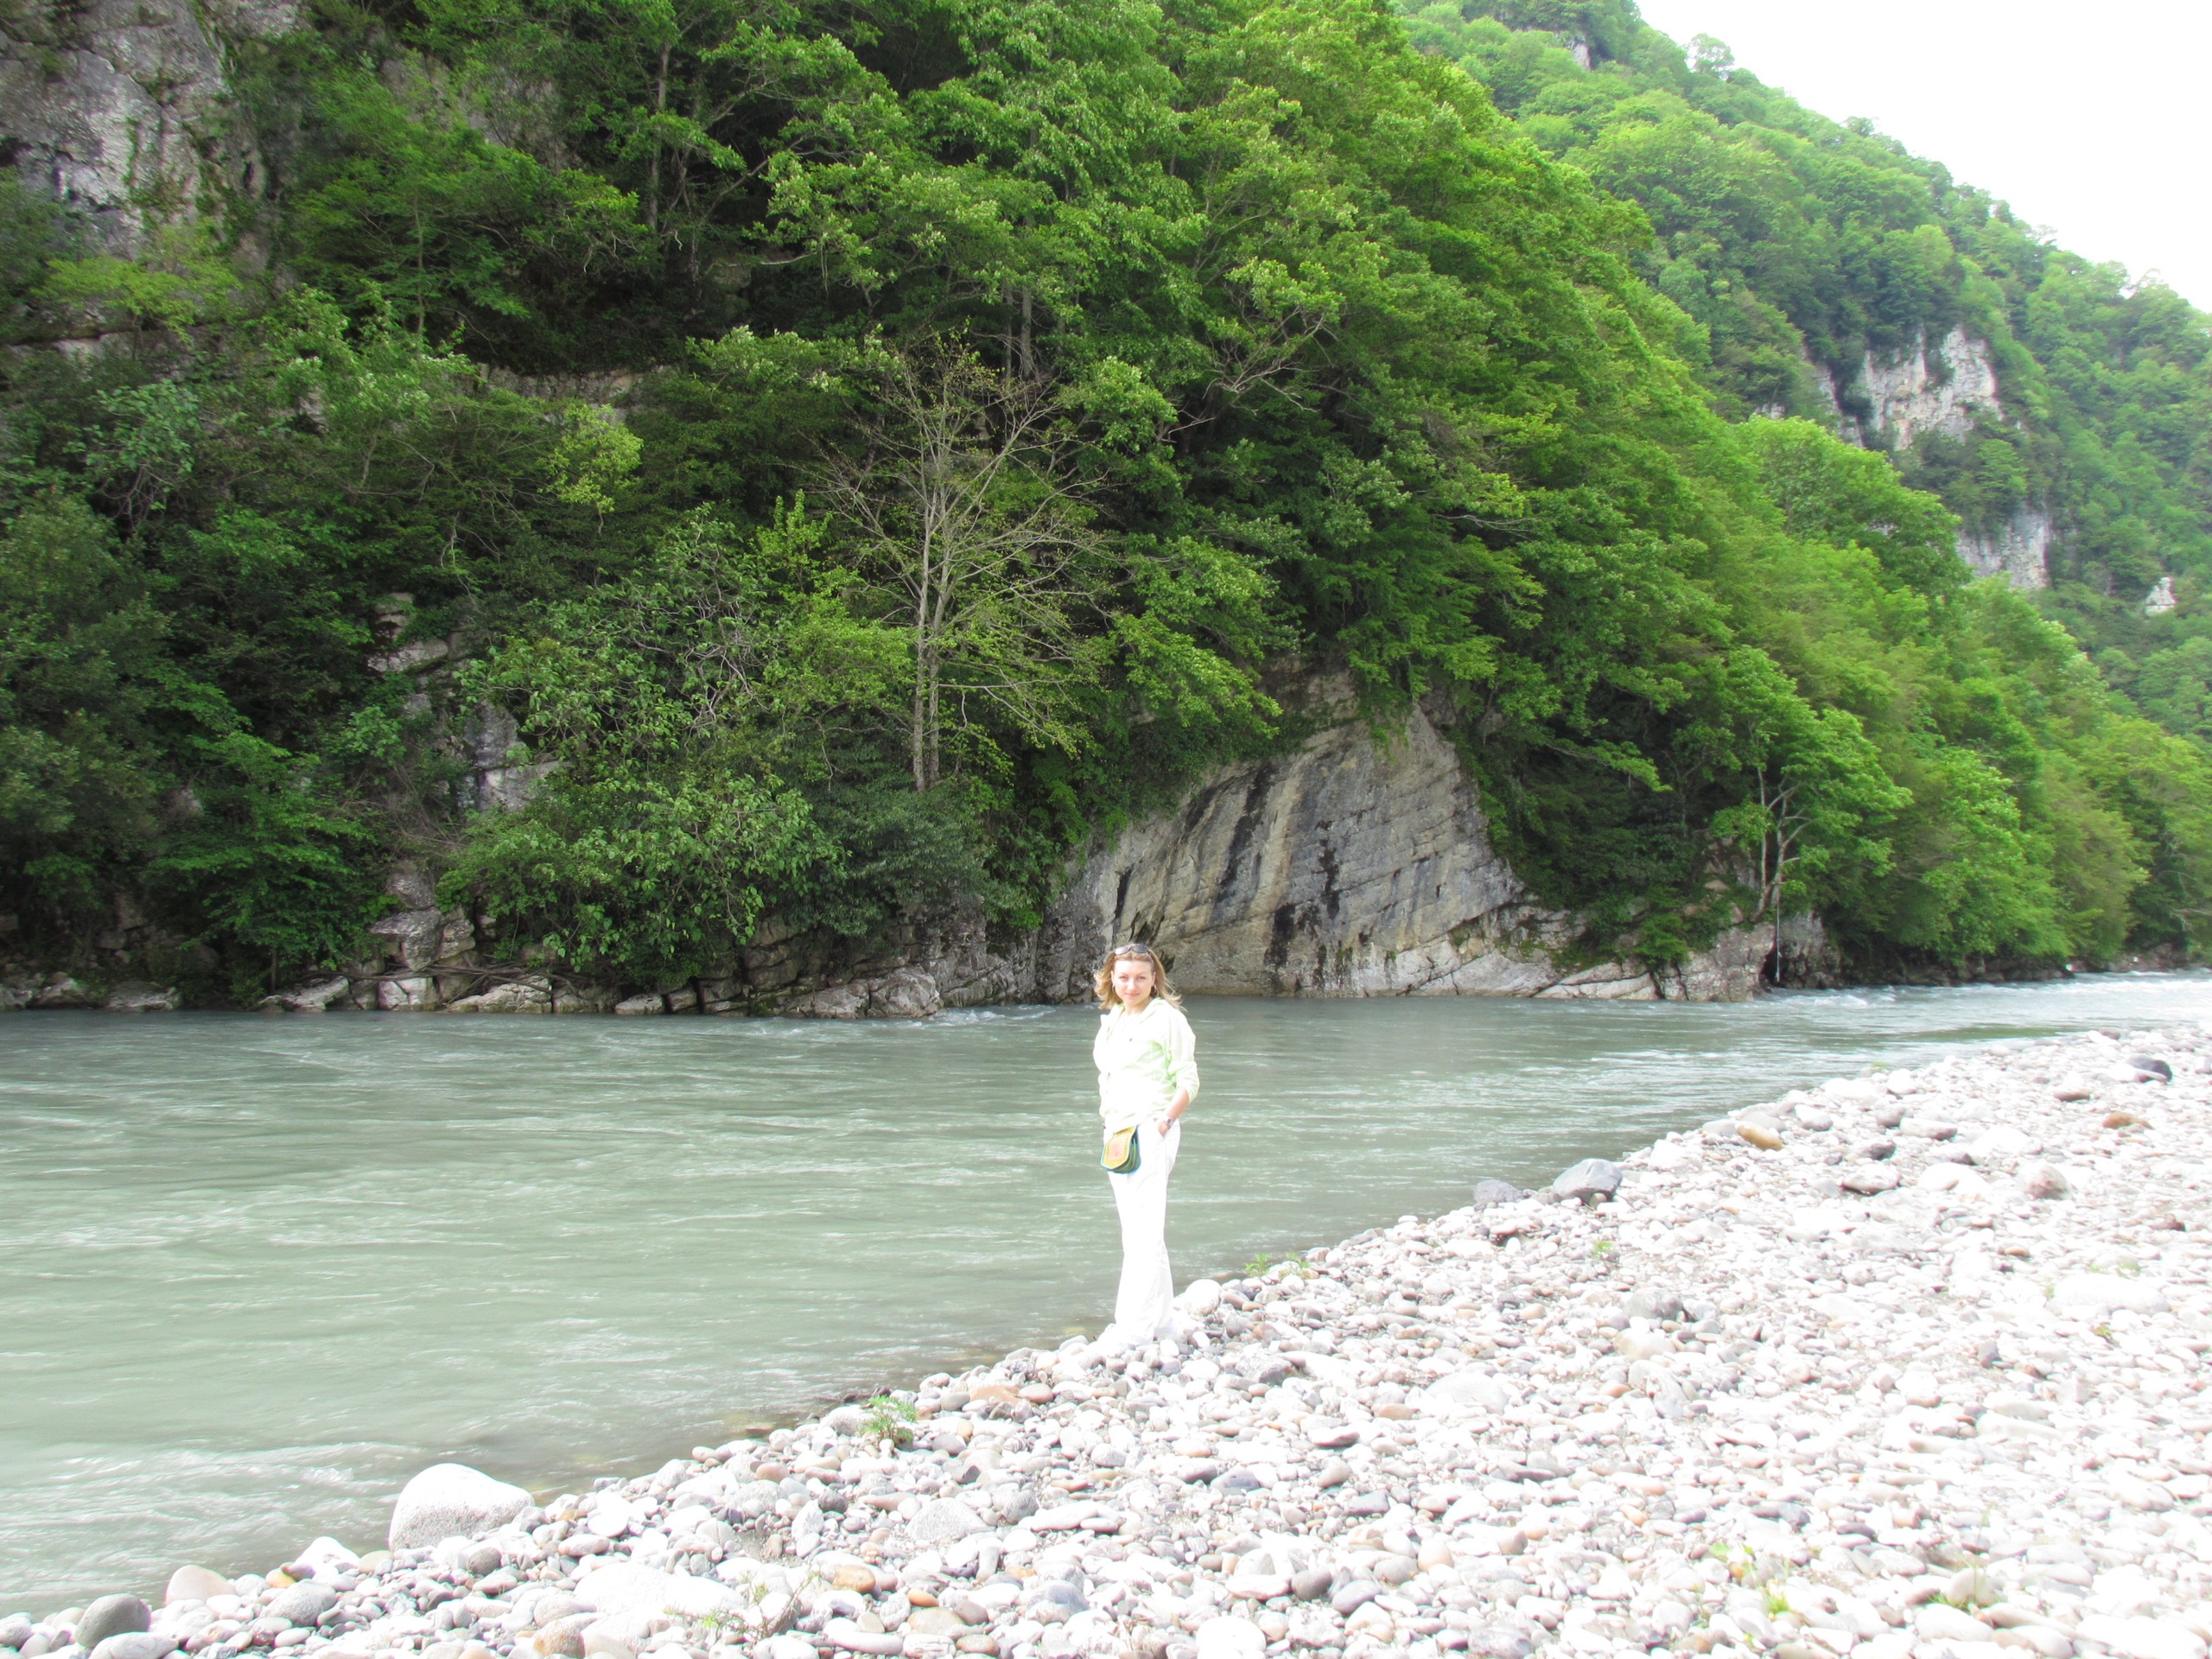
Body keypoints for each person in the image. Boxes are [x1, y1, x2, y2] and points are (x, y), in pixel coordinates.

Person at [1091, 941, 1198, 1351]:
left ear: (1155, 979)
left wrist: (1164, 1123)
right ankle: (1164, 1322)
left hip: (1151, 1130)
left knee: (1142, 1237)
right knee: (1141, 1232)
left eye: (1140, 978)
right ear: (1111, 980)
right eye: (1123, 978)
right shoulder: (1114, 1019)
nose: (1131, 986)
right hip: (1117, 1132)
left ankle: (1132, 1331)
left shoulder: (1167, 1019)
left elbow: (1188, 1079)